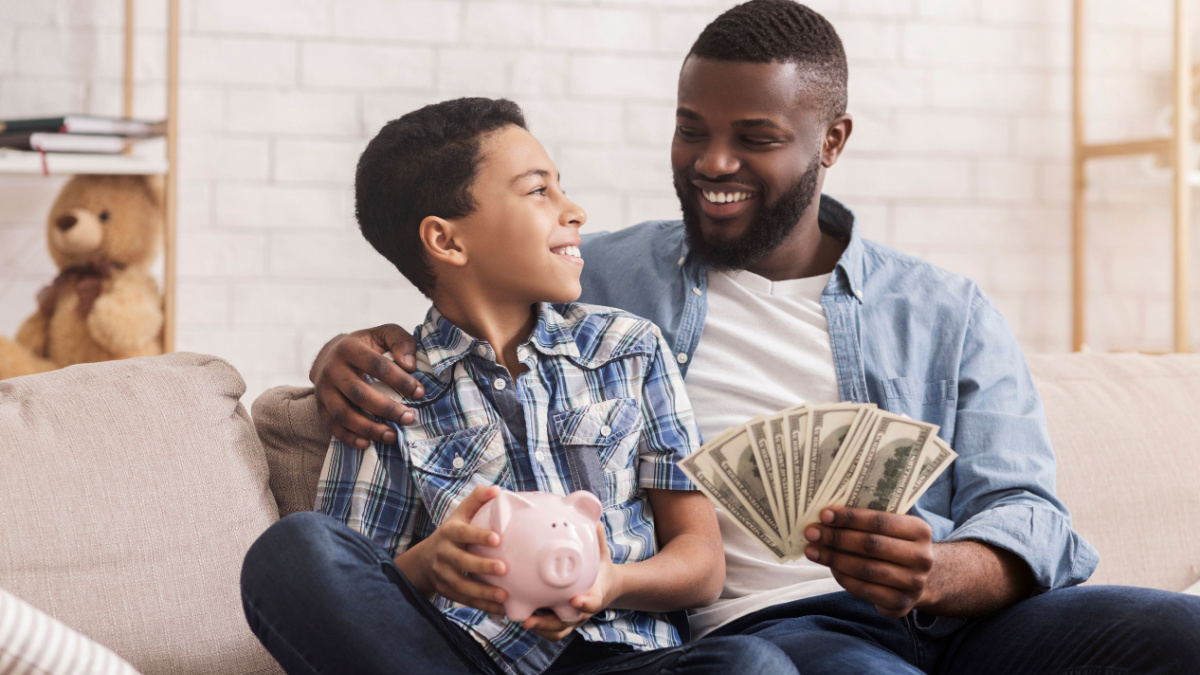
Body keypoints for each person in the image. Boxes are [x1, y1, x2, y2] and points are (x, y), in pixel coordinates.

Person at [308, 2, 1200, 673]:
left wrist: (938, 569)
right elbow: (469, 291)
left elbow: (1034, 515)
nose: (712, 164)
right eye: (691, 130)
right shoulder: (607, 285)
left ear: (832, 140)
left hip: (964, 619)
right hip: (780, 629)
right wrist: (347, 354)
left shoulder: (945, 309)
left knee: (1175, 631)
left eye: (756, 138)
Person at [240, 97, 796, 675]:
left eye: (561, 187)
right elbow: (356, 588)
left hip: (625, 661)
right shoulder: (391, 391)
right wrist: (432, 565)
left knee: (753, 664)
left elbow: (702, 564)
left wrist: (610, 583)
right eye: (539, 192)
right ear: (447, 241)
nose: (574, 210)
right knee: (294, 551)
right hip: (468, 661)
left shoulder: (629, 348)